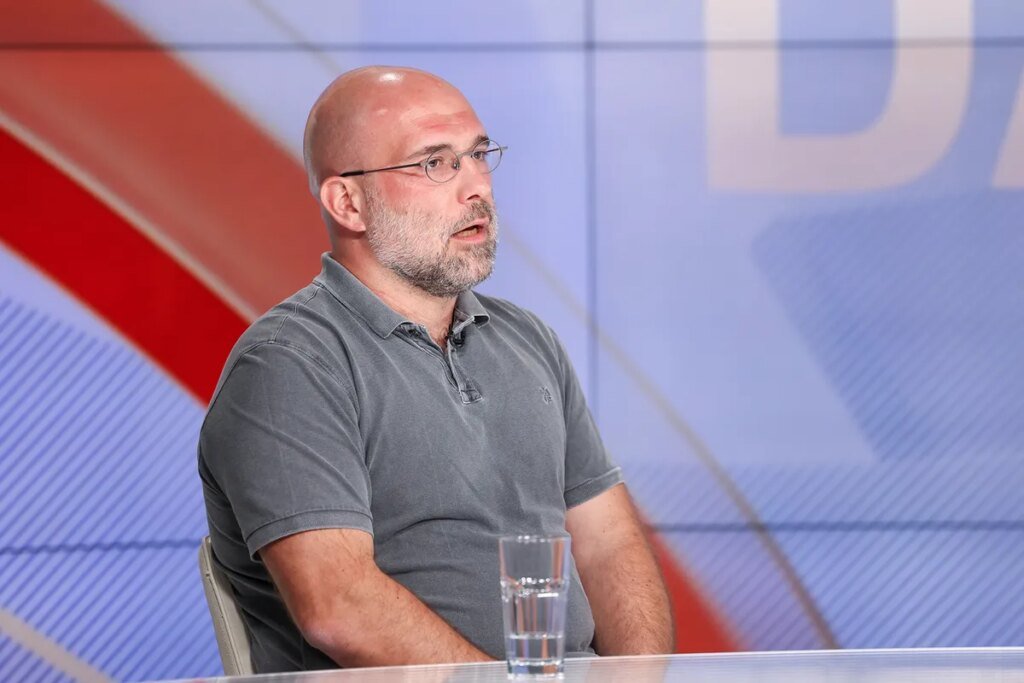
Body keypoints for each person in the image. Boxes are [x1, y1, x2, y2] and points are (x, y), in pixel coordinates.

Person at [198, 65, 674, 673]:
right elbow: (338, 607)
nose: (477, 187)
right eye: (434, 163)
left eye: (478, 155)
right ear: (348, 202)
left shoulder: (527, 341)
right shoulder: (289, 364)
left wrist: (639, 680)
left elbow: (608, 545)